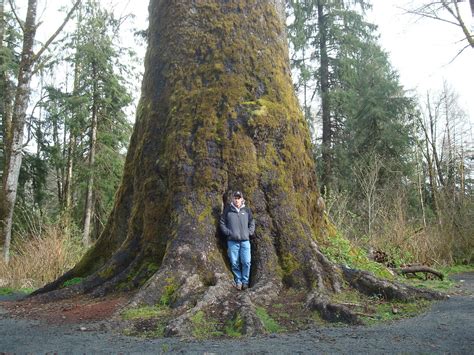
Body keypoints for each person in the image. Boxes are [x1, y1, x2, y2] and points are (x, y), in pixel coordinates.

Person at [219, 191, 255, 290]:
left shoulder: (246, 210)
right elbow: (222, 222)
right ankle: (238, 281)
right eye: (235, 198)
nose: (237, 200)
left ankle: (245, 281)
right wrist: (227, 232)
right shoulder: (228, 210)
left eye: (238, 198)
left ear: (242, 199)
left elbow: (252, 221)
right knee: (234, 262)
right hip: (232, 241)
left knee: (246, 262)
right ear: (233, 199)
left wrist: (250, 232)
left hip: (245, 241)